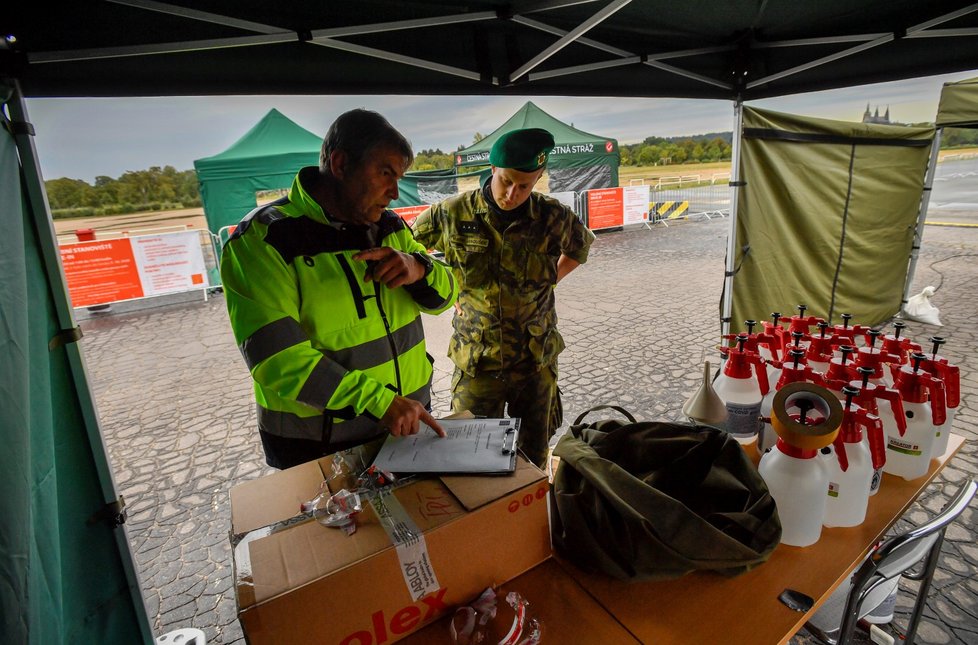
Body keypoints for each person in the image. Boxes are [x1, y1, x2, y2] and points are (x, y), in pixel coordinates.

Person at [221, 109, 458, 470]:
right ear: (341, 163)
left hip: (404, 424)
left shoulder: (388, 226)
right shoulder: (264, 240)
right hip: (316, 445)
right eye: (385, 174)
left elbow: (447, 296)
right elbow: (278, 361)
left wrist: (419, 268)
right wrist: (379, 401)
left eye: (399, 178)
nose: (395, 193)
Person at [411, 128, 595, 468]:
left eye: (525, 185)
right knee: (469, 452)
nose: (512, 193)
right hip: (477, 360)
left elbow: (580, 247)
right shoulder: (453, 213)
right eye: (506, 181)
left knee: (534, 453)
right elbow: (410, 247)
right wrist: (444, 285)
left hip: (534, 360)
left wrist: (552, 279)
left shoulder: (552, 217)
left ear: (539, 177)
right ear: (492, 169)